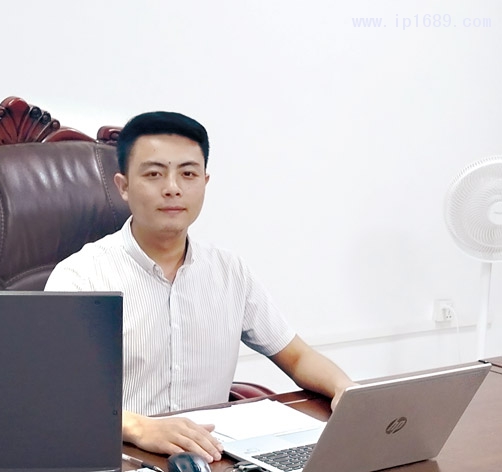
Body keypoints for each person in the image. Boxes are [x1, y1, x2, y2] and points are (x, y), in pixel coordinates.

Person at [45, 111, 356, 462]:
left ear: (205, 182)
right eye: (154, 174)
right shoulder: (81, 277)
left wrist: (344, 389)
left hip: (212, 458)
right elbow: (57, 396)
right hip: (116, 456)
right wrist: (140, 428)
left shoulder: (229, 271)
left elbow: (296, 356)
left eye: (188, 173)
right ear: (124, 186)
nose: (172, 187)